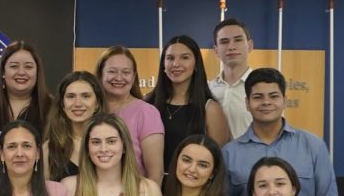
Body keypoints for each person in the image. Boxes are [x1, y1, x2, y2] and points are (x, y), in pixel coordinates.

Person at [223, 67, 338, 196]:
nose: (266, 102)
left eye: (273, 96)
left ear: (285, 100)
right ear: (247, 103)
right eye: (258, 97)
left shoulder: (313, 146)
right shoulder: (229, 153)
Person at [148, 35, 231, 175]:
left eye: (185, 57)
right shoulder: (148, 105)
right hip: (151, 189)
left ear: (196, 64)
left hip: (193, 190)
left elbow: (217, 162)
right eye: (170, 58)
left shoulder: (210, 109)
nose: (176, 64)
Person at [95, 46, 164, 181]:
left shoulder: (146, 113)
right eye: (112, 71)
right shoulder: (89, 110)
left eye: (126, 72)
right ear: (100, 74)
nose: (119, 78)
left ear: (134, 77)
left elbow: (155, 174)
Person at [0, 41, 54, 134]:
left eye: (28, 67)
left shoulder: (54, 110)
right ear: (3, 72)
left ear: (37, 73)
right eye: (14, 66)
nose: (21, 72)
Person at [44, 71, 105, 181]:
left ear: (97, 104)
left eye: (86, 96)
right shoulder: (49, 149)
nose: (77, 103)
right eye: (71, 96)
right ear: (62, 104)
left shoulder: (113, 145)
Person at [209, 18, 255, 140]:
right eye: (224, 42)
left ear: (250, 46)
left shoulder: (262, 88)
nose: (231, 47)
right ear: (216, 50)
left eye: (238, 40)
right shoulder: (208, 89)